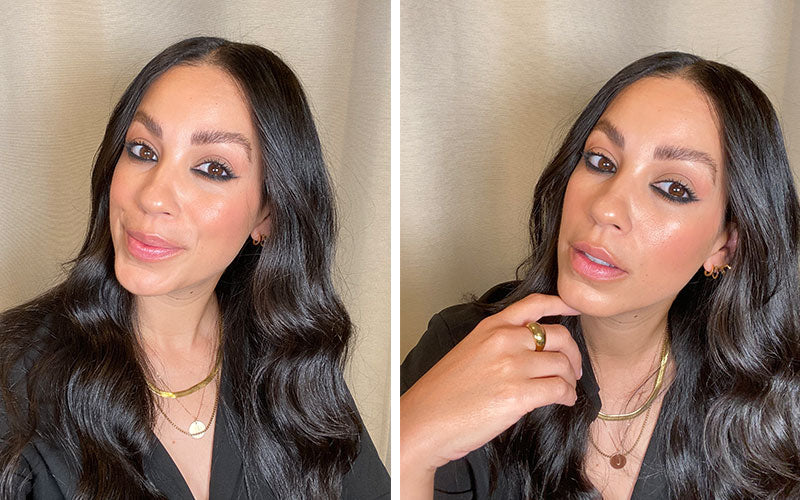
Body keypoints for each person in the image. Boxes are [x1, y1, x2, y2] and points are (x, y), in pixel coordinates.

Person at [0, 36, 389, 499]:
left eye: (212, 169)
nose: (152, 197)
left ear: (267, 214)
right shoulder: (12, 381)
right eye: (143, 151)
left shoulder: (291, 367)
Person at [401, 51, 800, 499]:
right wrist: (411, 442)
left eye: (673, 188)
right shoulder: (458, 347)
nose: (605, 207)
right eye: (600, 161)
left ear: (724, 245)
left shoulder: (775, 399)